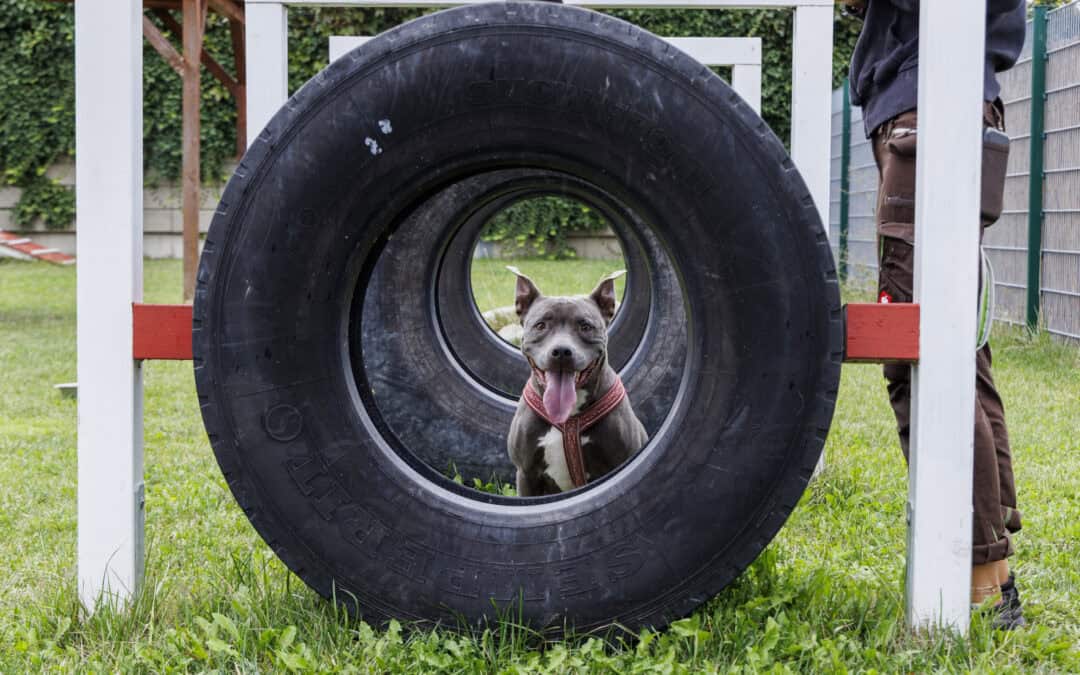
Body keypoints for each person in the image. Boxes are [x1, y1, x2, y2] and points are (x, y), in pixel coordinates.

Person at [843, 0, 1027, 629]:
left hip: (927, 104)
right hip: (931, 100)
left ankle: (980, 580)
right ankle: (993, 575)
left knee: (919, 354)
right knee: (955, 350)